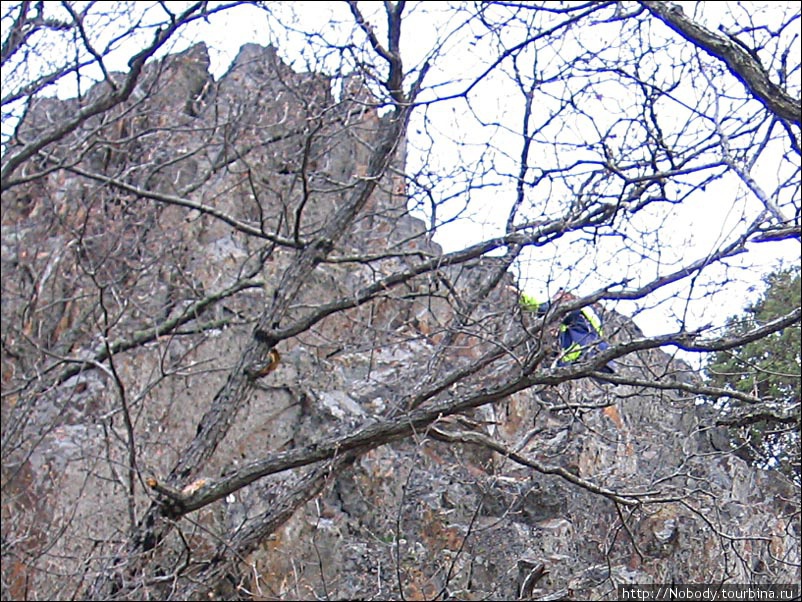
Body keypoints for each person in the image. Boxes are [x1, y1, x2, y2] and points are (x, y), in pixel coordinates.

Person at [519, 290, 616, 374]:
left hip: (587, 352)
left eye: (556, 299)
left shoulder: (578, 310)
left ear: (566, 297)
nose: (554, 301)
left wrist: (521, 297)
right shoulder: (585, 321)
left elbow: (544, 308)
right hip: (593, 353)